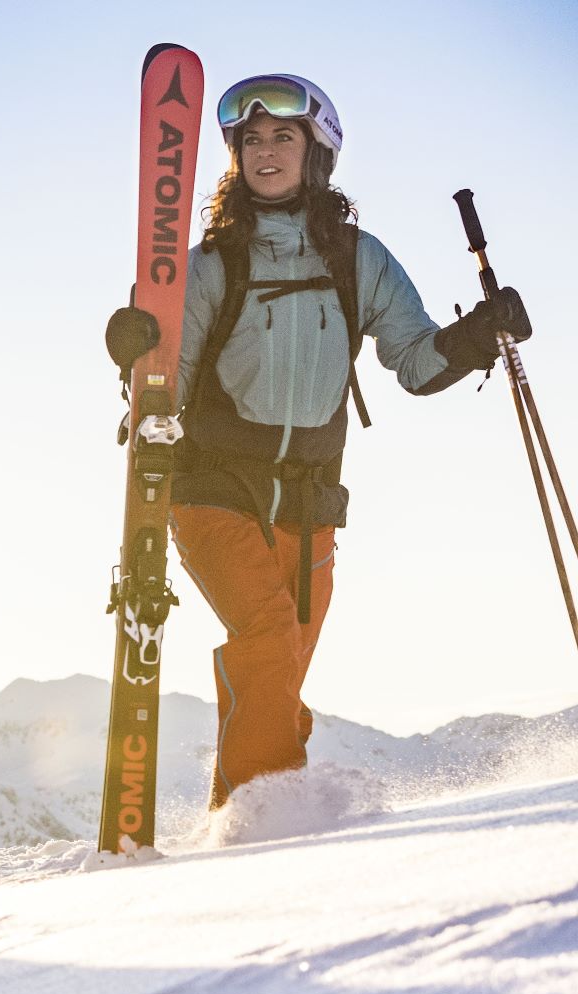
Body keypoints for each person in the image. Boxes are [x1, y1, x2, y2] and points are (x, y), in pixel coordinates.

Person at [104, 73, 530, 807]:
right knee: (267, 637)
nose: (265, 152)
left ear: (317, 149)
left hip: (310, 499)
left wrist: (475, 336)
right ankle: (265, 824)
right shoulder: (214, 264)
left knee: (281, 668)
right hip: (213, 487)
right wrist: (138, 352)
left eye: (283, 137)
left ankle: (246, 818)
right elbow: (161, 376)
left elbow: (415, 363)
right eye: (251, 140)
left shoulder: (358, 260)